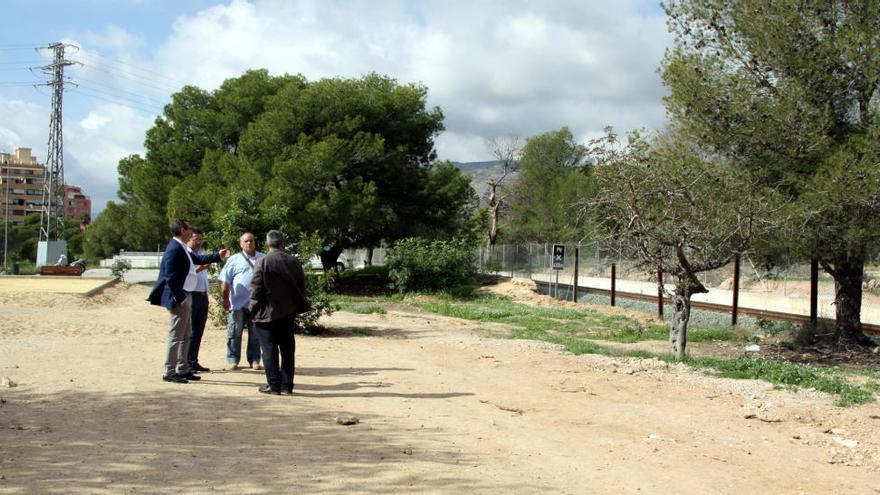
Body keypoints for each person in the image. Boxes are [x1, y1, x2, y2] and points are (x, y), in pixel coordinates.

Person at [148, 219, 230, 384]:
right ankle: (169, 371)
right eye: (188, 229)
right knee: (177, 336)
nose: (191, 232)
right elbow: (169, 277)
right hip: (180, 298)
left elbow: (197, 259)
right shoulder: (174, 248)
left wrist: (217, 256)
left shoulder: (181, 247)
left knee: (186, 335)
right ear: (182, 230)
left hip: (185, 296)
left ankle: (183, 368)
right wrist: (180, 297)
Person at [248, 230, 310, 395]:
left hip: (266, 313)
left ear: (268, 244)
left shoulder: (262, 262)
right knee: (288, 350)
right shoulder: (294, 261)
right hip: (288, 312)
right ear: (282, 244)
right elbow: (301, 286)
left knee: (269, 350)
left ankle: (274, 385)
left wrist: (252, 309)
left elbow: (256, 289)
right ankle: (287, 386)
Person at [219, 232, 264, 370]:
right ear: (241, 244)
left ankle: (254, 360)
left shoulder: (263, 258)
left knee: (256, 334)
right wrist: (225, 300)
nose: (249, 243)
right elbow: (225, 281)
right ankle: (233, 359)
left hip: (256, 304)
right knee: (234, 333)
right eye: (246, 241)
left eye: (251, 240)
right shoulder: (234, 259)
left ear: (254, 242)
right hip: (237, 304)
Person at [186, 228, 211, 373]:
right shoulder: (186, 254)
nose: (199, 242)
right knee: (189, 331)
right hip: (192, 295)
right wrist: (201, 268)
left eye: (200, 239)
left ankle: (193, 360)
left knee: (198, 331)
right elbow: (186, 274)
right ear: (188, 238)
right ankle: (186, 363)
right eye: (196, 239)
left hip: (203, 296)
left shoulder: (201, 254)